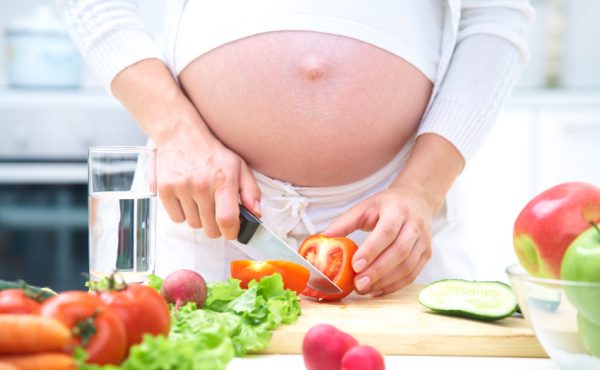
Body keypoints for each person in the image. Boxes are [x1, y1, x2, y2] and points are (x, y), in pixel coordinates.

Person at [58, 0, 534, 296]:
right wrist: (178, 132)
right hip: (208, 210)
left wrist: (421, 192)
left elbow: (499, 13)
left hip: (389, 225)